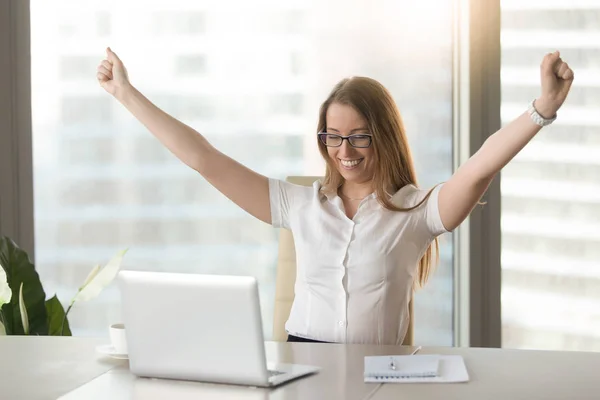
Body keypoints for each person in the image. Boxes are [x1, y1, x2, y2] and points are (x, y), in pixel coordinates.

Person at [97, 48, 573, 345]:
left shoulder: (415, 211)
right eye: (332, 136)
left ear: (383, 135)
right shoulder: (300, 205)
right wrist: (125, 93)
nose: (344, 151)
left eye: (359, 136)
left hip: (379, 374)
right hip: (303, 365)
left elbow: (480, 166)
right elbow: (204, 158)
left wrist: (542, 109)